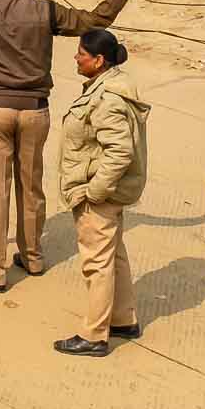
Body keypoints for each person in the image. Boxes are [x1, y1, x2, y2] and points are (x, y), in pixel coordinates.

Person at [0, 0, 144, 291]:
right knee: (31, 185)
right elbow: (96, 19)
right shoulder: (44, 10)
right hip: (35, 110)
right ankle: (32, 256)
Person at [53, 29, 147, 356]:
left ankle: (94, 335)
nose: (76, 58)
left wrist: (95, 191)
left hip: (99, 195)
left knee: (97, 263)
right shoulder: (110, 87)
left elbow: (120, 152)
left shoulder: (106, 99)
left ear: (98, 60)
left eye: (81, 53)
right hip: (108, 192)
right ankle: (123, 319)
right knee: (114, 256)